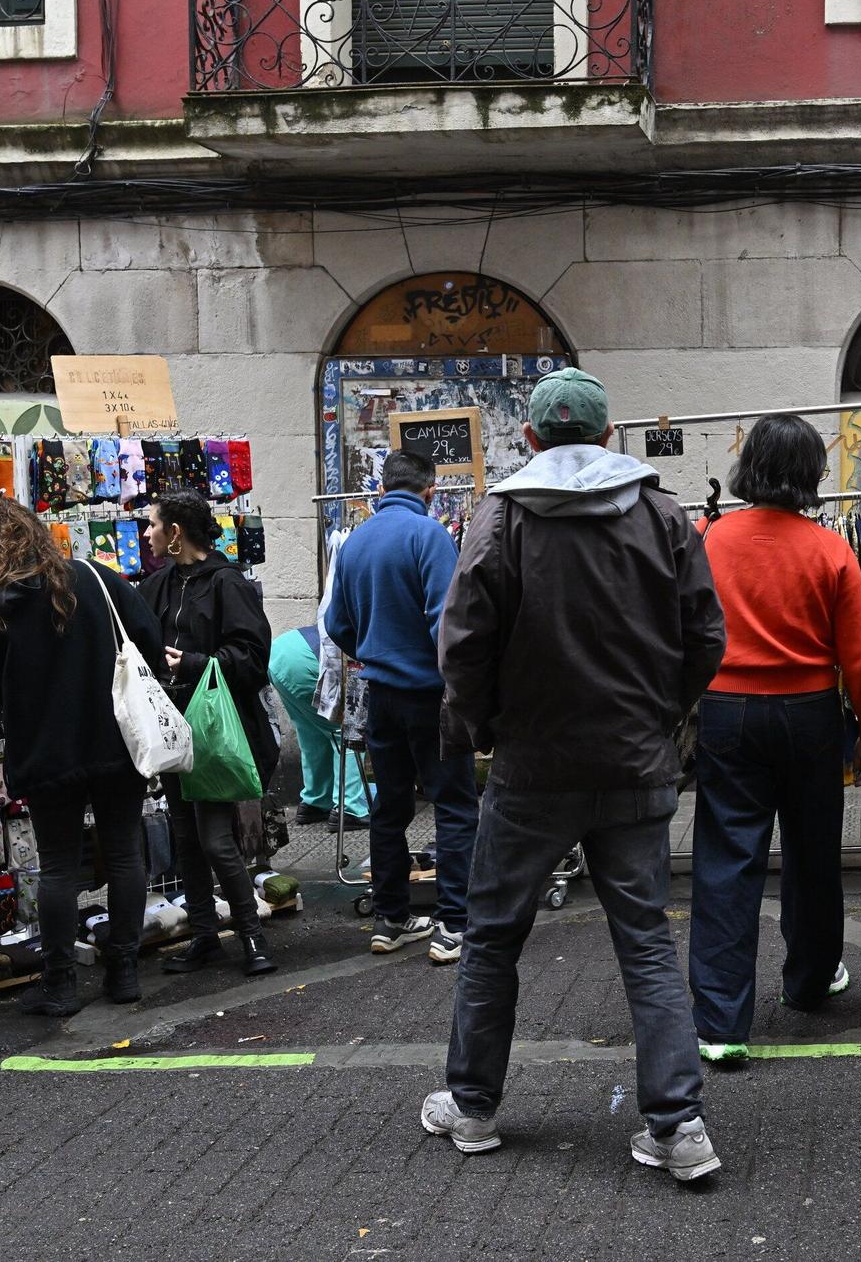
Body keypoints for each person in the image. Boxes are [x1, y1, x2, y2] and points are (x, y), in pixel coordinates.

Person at [423, 366, 728, 1181]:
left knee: (492, 936)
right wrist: (663, 715)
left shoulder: (502, 516)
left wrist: (484, 727)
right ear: (607, 435)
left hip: (531, 767)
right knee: (646, 942)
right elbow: (706, 635)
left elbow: (462, 646)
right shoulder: (663, 515)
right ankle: (678, 1124)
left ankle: (473, 1104)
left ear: (529, 437)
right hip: (635, 762)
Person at [687, 414, 861, 1065]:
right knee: (812, 851)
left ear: (748, 468)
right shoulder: (830, 550)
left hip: (725, 710)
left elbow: (682, 630)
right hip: (809, 713)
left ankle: (720, 1024)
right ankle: (809, 980)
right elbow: (860, 659)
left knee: (726, 859)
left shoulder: (708, 539)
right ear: (810, 475)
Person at [0, 496, 167, 1016]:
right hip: (116, 739)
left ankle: (61, 983)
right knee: (124, 852)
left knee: (57, 866)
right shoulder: (94, 579)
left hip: (44, 747)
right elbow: (148, 638)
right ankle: (124, 971)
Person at [324, 449, 478, 964]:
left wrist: (375, 652)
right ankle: (453, 924)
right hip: (430, 694)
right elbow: (446, 622)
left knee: (389, 808)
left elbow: (336, 623)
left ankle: (390, 918)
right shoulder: (429, 535)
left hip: (380, 695)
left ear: (381, 488)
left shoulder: (356, 541)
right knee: (454, 805)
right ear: (430, 491)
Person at [139, 487, 280, 977]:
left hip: (217, 730)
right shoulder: (157, 586)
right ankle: (204, 937)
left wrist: (194, 663)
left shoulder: (227, 583)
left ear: (175, 532)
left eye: (153, 524)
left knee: (216, 838)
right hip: (172, 728)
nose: (146, 533)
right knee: (185, 836)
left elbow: (253, 659)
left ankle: (253, 938)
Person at [267, 623, 371, 830]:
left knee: (311, 732)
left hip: (282, 651)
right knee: (347, 732)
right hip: (310, 659)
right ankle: (349, 808)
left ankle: (315, 802)